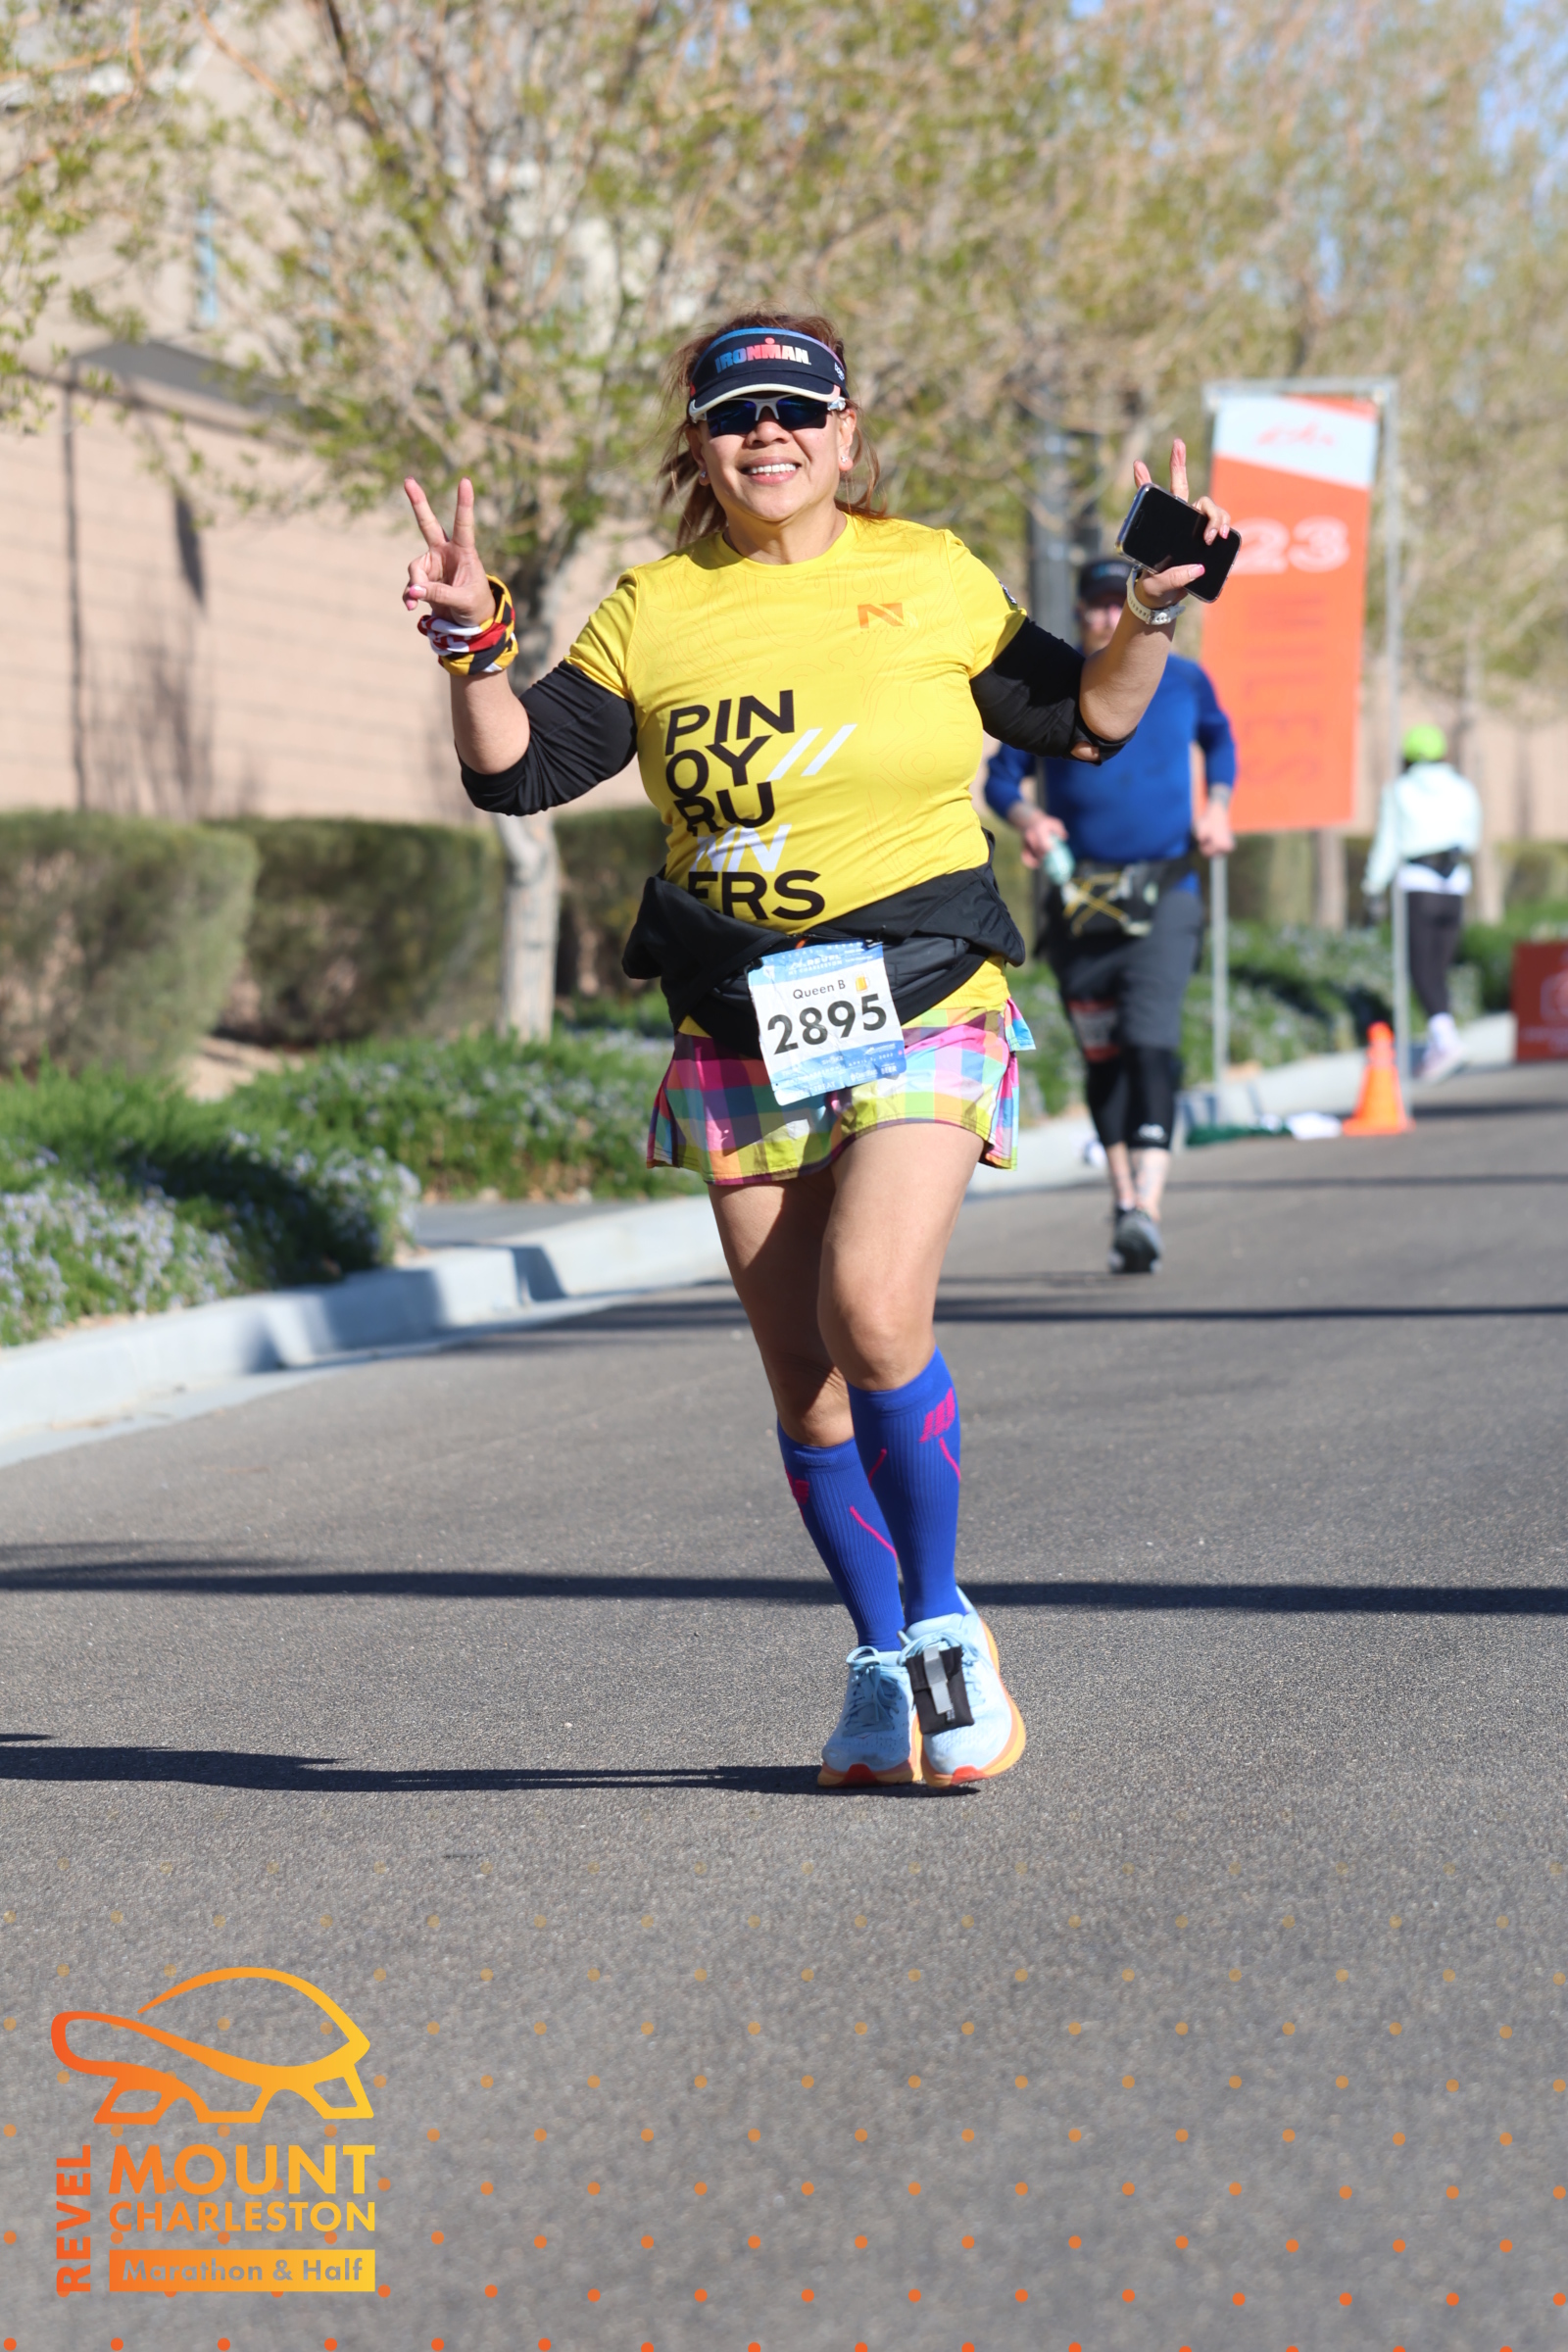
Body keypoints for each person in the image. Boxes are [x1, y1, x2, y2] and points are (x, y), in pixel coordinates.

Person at [400, 313, 1228, 1789]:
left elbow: (1085, 719)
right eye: (735, 417)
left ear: (847, 435)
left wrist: (1152, 613)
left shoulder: (933, 575)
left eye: (796, 410)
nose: (765, 435)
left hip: (923, 991)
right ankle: (880, 1654)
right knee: (806, 1381)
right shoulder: (656, 609)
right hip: (743, 1017)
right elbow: (517, 772)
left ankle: (945, 1628)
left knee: (870, 1310)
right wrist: (473, 646)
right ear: (701, 447)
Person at [983, 554, 1236, 1274]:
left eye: (1115, 601)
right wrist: (1030, 819)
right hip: (1080, 899)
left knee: (1150, 1036)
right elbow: (1001, 780)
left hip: (1165, 889)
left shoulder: (1186, 681)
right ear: (1082, 614)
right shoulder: (1058, 684)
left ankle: (1148, 1203)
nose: (1105, 615)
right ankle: (1125, 1200)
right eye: (1096, 604)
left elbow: (1219, 739)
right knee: (1103, 1053)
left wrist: (1218, 807)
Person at [1363, 723, 1483, 1082]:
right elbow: (1471, 837)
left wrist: (1373, 887)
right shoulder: (1462, 788)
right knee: (1439, 967)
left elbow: (1388, 842)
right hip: (1454, 884)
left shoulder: (1399, 791)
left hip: (1417, 885)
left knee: (1420, 968)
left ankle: (1445, 1039)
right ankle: (1440, 1039)